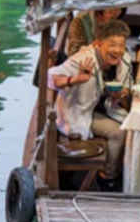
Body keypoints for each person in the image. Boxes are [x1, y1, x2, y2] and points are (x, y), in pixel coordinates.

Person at [49, 20, 133, 184]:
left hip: (104, 109)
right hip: (77, 113)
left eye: (121, 45)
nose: (117, 50)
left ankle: (122, 170)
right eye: (112, 45)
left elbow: (127, 89)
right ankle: (108, 177)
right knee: (119, 132)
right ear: (99, 43)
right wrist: (75, 79)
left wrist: (121, 95)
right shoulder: (83, 59)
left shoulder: (124, 60)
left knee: (132, 127)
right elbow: (51, 78)